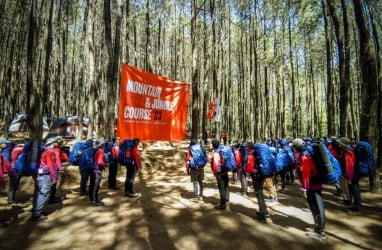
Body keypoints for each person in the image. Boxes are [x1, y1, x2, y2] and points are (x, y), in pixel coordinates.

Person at [292, 138, 326, 238]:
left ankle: (320, 231)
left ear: (297, 148)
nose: (293, 149)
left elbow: (306, 174)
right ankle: (318, 226)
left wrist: (304, 189)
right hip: (314, 183)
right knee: (314, 205)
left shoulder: (305, 158)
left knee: (317, 206)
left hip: (313, 184)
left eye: (293, 147)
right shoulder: (305, 155)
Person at [31, 137, 61, 221]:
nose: (57, 143)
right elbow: (51, 165)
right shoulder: (50, 152)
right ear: (53, 142)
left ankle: (37, 210)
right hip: (45, 176)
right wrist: (54, 177)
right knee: (44, 194)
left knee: (39, 193)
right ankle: (37, 214)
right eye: (56, 142)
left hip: (39, 175)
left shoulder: (43, 150)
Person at [243, 141, 270, 223]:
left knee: (259, 195)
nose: (245, 148)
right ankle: (264, 212)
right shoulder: (257, 153)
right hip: (261, 175)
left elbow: (250, 168)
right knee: (260, 193)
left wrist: (247, 171)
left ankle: (262, 216)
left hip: (256, 176)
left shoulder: (251, 154)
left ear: (250, 147)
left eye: (246, 146)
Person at [335, 137, 361, 215]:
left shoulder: (348, 152)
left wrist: (349, 178)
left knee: (355, 190)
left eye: (339, 143)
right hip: (352, 175)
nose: (338, 144)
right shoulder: (347, 150)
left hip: (353, 175)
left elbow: (349, 166)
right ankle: (353, 204)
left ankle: (357, 209)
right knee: (352, 190)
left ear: (343, 144)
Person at [210, 139, 230, 210]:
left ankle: (223, 204)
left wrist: (215, 172)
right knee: (226, 186)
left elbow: (214, 164)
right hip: (225, 171)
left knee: (221, 188)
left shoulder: (215, 152)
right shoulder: (224, 150)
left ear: (213, 145)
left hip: (219, 173)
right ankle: (227, 202)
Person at [89, 138, 107, 206]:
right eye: (104, 143)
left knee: (92, 185)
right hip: (97, 171)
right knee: (95, 186)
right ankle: (94, 201)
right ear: (102, 144)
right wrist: (105, 164)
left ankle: (93, 199)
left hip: (92, 169)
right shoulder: (100, 151)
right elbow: (100, 162)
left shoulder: (95, 150)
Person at [49, 136, 64, 204]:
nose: (63, 142)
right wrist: (60, 168)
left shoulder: (52, 148)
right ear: (59, 141)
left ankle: (52, 197)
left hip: (50, 167)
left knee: (52, 183)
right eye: (62, 141)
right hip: (55, 169)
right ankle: (51, 199)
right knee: (53, 183)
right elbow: (58, 160)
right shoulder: (57, 149)